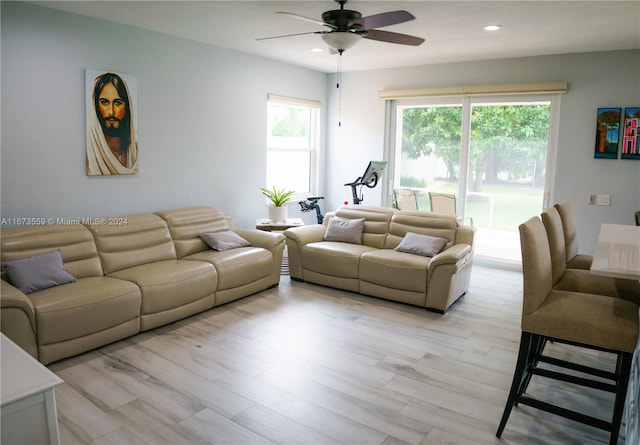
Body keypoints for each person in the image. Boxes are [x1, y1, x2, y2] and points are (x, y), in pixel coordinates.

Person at [86, 72, 138, 175]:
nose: (111, 112)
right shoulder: (86, 153)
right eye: (104, 102)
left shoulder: (137, 150)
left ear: (127, 106)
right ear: (96, 106)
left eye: (117, 103)